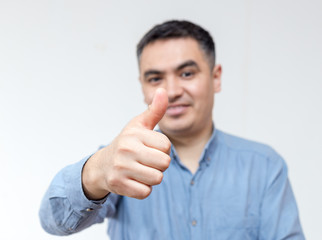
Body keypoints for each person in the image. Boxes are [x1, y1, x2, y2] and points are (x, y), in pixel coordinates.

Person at [39, 20, 305, 239]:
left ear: (216, 77)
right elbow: (54, 220)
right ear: (142, 86)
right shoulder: (118, 162)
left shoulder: (264, 166)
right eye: (155, 78)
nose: (173, 91)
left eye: (187, 73)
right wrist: (95, 172)